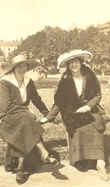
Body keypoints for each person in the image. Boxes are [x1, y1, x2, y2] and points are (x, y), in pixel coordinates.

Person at [0, 54, 58, 184]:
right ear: (13, 68)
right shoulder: (5, 82)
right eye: (18, 66)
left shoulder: (28, 81)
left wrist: (46, 113)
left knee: (24, 123)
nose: (22, 68)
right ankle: (43, 153)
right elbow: (7, 106)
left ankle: (20, 169)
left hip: (22, 117)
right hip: (2, 116)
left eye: (24, 65)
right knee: (25, 119)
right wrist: (27, 111)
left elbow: (36, 99)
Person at [41, 49, 109, 181]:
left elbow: (97, 94)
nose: (74, 65)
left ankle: (101, 164)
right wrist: (48, 117)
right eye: (71, 62)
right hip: (73, 113)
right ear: (68, 65)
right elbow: (59, 102)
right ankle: (82, 159)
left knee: (96, 123)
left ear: (81, 62)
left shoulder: (89, 75)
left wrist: (88, 106)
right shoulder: (65, 79)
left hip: (90, 109)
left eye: (77, 61)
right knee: (77, 127)